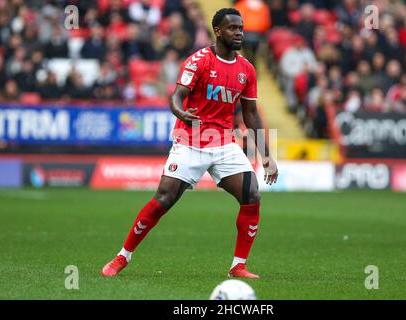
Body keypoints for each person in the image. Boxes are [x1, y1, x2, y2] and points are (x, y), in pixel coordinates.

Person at [101, 8, 278, 279]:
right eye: (233, 28)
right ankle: (122, 256)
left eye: (241, 28)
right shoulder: (199, 61)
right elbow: (177, 96)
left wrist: (266, 156)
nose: (239, 32)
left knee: (252, 195)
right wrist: (180, 111)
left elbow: (251, 114)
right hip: (191, 141)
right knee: (164, 199)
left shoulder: (246, 70)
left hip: (223, 143)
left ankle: (238, 265)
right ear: (218, 31)